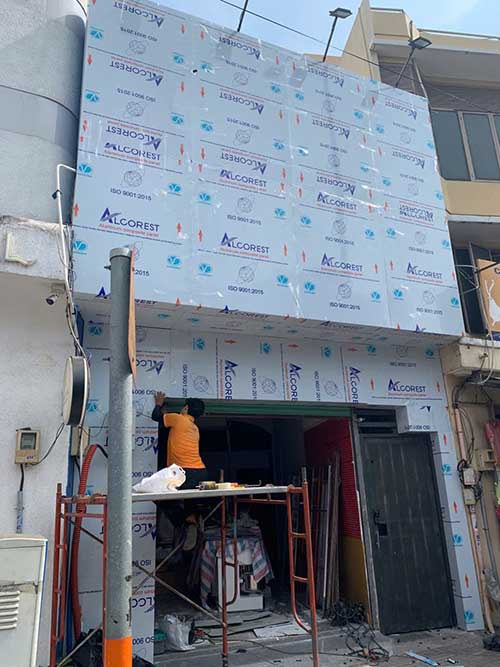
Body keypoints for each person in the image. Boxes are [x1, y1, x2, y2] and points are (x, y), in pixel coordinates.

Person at [152, 392, 208, 550]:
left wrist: (158, 403)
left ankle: (185, 523)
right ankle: (192, 521)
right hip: (199, 472)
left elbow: (155, 416)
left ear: (186, 408)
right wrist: (166, 415)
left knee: (161, 498)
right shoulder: (194, 428)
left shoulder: (178, 419)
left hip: (183, 472)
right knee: (189, 504)